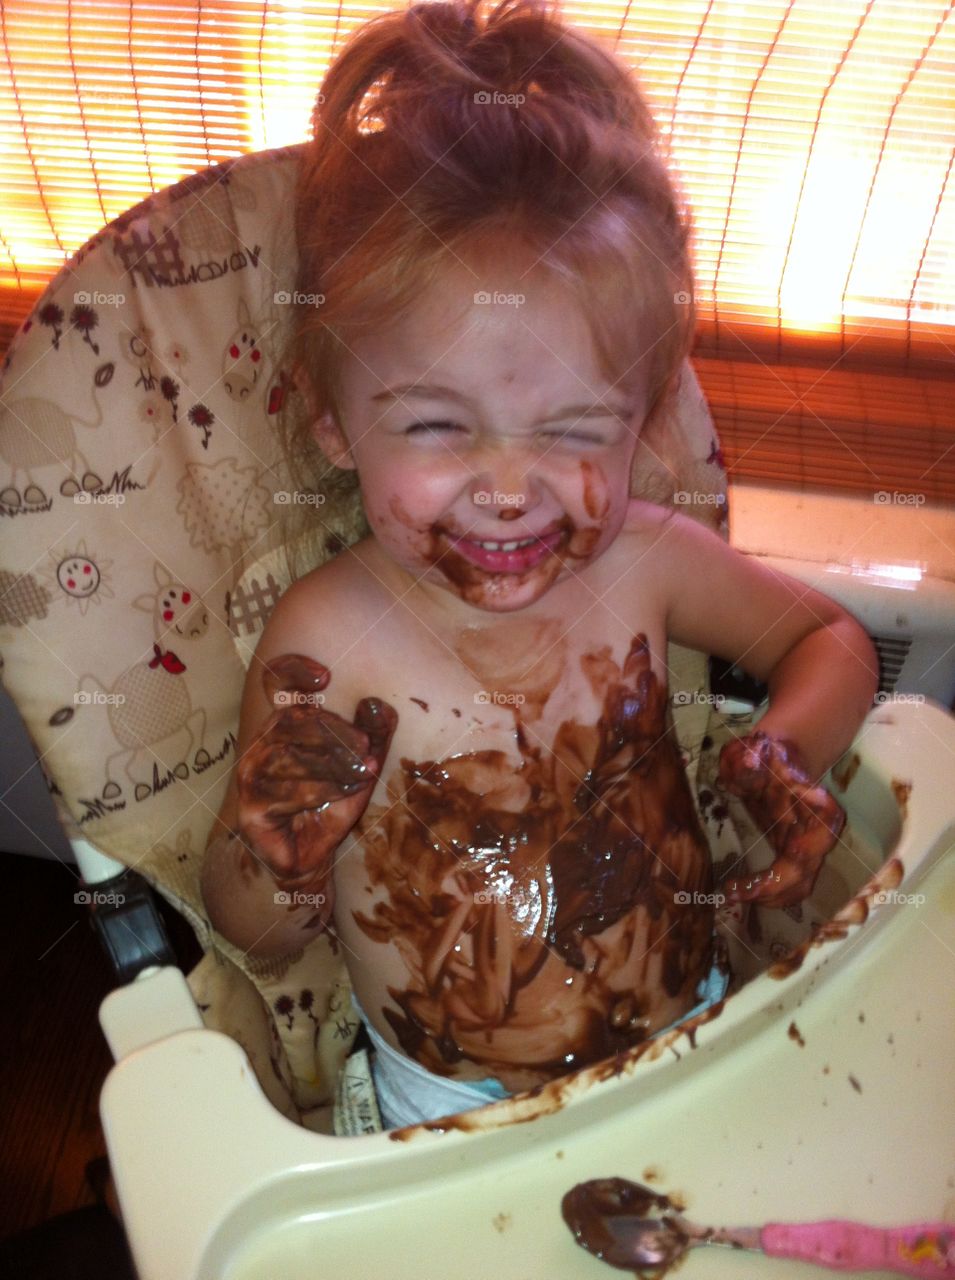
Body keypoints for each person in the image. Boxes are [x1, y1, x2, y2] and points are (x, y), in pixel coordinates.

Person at [201, 0, 878, 1128]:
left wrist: (781, 748)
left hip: (687, 1045)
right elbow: (251, 926)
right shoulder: (326, 644)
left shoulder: (651, 563)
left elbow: (830, 640)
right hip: (446, 1115)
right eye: (434, 426)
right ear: (332, 424)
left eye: (572, 430)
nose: (509, 489)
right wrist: (279, 857)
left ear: (643, 418)